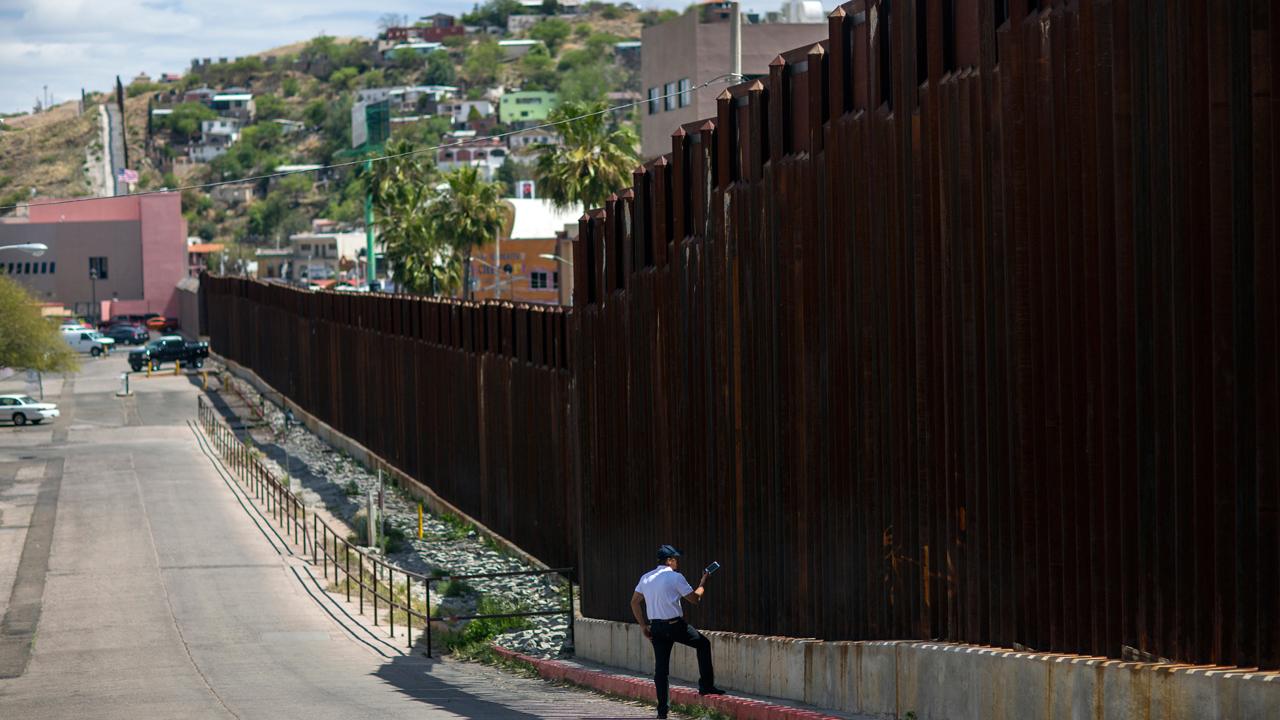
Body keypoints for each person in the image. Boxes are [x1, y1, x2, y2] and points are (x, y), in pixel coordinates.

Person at [630, 545, 724, 718]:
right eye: (675, 559)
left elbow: (634, 602)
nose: (677, 562)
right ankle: (706, 686)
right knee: (703, 644)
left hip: (656, 627)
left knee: (661, 669)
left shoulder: (646, 578)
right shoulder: (675, 577)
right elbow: (695, 599)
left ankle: (662, 712)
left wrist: (643, 626)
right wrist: (703, 581)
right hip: (675, 626)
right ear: (669, 560)